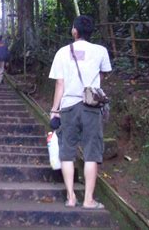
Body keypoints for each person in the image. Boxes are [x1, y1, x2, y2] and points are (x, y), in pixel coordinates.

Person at [48, 15, 112, 209]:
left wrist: (54, 110)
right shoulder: (101, 51)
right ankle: (89, 200)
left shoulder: (61, 52)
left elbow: (60, 83)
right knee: (92, 152)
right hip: (91, 106)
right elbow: (103, 74)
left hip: (67, 107)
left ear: (74, 31)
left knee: (67, 152)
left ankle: (71, 198)